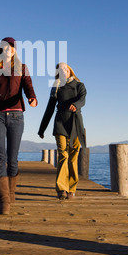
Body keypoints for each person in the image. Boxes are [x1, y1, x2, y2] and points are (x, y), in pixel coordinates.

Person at [0, 37, 37, 214]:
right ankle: (4, 201)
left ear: (14, 50)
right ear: (1, 50)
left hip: (16, 115)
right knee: (0, 157)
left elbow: (28, 85)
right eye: (5, 47)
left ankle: (11, 195)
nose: (9, 49)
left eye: (11, 47)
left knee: (12, 159)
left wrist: (32, 97)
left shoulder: (22, 68)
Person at [38, 63, 87, 200]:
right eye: (60, 70)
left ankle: (72, 189)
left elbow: (82, 100)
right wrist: (42, 129)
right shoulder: (56, 87)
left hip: (76, 125)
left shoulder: (79, 85)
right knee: (63, 156)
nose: (63, 71)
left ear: (70, 71)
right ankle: (61, 189)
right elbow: (49, 109)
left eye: (65, 69)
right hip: (60, 124)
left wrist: (75, 106)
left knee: (73, 158)